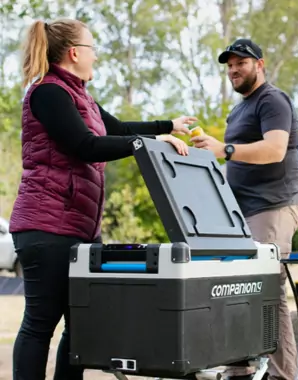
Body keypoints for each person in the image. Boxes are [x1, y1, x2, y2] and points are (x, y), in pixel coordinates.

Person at [9, 18, 197, 380]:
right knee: (40, 323)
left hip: (78, 227)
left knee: (80, 326)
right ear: (75, 52)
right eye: (93, 48)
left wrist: (166, 127)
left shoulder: (81, 98)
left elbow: (120, 129)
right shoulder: (48, 93)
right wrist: (147, 145)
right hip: (46, 227)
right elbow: (85, 146)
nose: (97, 56)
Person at [191, 38, 298, 380]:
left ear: (260, 63)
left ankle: (284, 375)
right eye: (229, 65)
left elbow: (273, 150)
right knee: (234, 287)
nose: (234, 69)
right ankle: (239, 368)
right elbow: (236, 161)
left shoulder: (273, 100)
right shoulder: (239, 109)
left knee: (269, 291)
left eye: (241, 62)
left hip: (273, 206)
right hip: (239, 213)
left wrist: (223, 149)